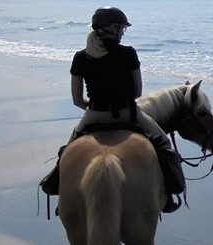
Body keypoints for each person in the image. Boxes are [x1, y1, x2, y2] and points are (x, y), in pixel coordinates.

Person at [40, 6, 184, 213]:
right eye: (122, 28)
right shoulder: (128, 53)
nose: (123, 32)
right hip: (128, 113)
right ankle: (170, 194)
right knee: (164, 144)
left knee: (68, 150)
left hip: (94, 116)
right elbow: (137, 92)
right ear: (113, 28)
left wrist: (90, 107)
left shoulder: (81, 57)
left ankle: (55, 185)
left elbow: (76, 99)